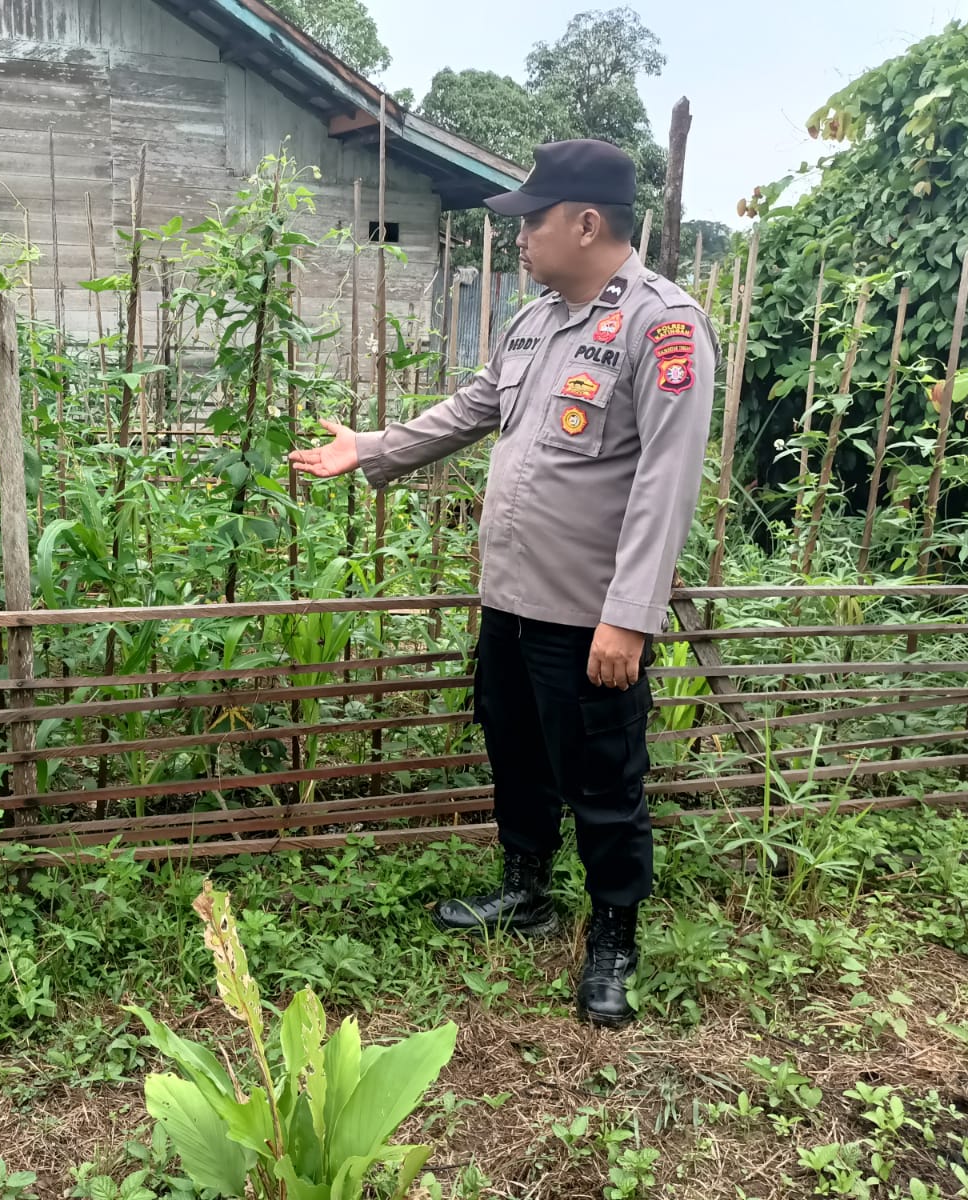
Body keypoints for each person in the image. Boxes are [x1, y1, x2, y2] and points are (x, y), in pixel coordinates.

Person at [287, 138, 717, 1026]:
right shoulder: (535, 323)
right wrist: (368, 449)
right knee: (516, 755)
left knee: (604, 780)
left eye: (534, 219)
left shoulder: (661, 327)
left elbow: (666, 482)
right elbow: (470, 409)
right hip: (511, 602)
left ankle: (613, 936)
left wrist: (629, 620)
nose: (520, 236)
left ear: (586, 223)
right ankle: (525, 888)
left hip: (590, 615)